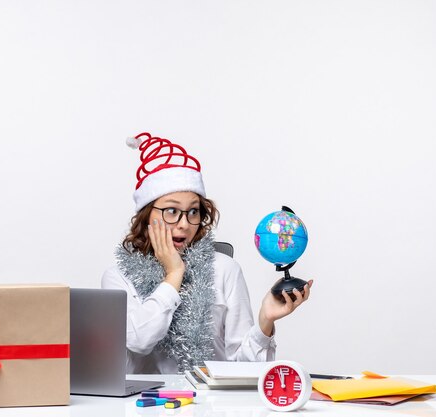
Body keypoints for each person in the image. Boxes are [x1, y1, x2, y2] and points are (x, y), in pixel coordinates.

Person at [101, 132, 312, 374]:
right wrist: (173, 275)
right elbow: (139, 341)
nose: (184, 223)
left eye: (193, 212)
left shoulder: (224, 270)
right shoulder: (118, 277)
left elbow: (244, 371)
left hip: (210, 405)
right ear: (147, 215)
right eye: (171, 211)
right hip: (146, 406)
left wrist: (266, 320)